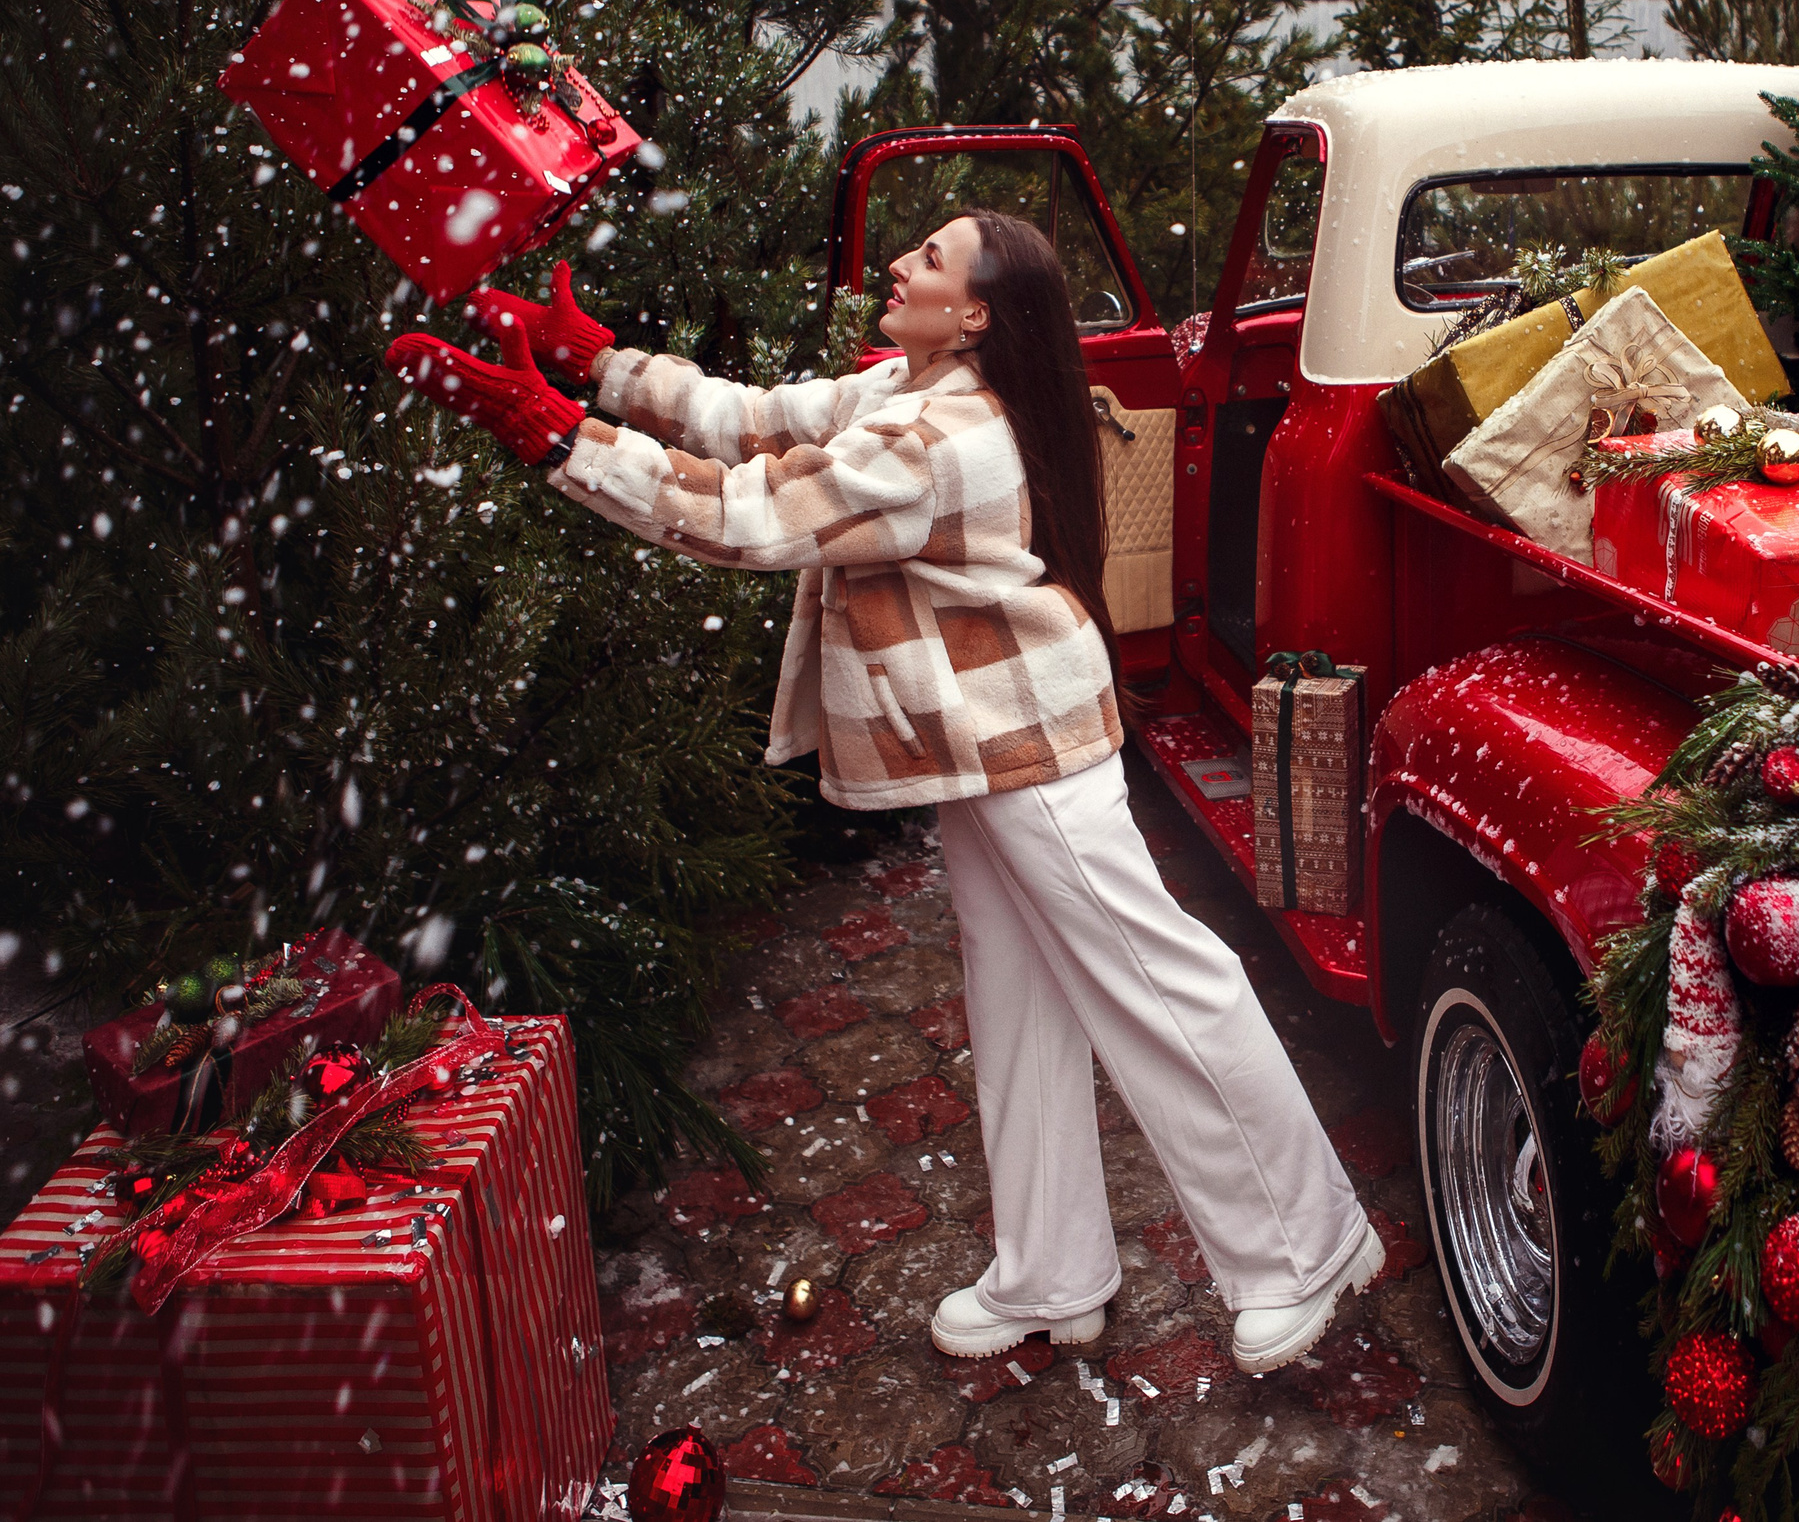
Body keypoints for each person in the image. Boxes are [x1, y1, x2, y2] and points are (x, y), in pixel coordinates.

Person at [385, 216, 1384, 1374]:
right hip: (975, 750)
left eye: (929, 260)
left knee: (1159, 981)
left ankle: (1310, 1251)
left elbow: (750, 517)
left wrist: (557, 434)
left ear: (974, 314)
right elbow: (757, 420)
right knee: (1020, 1000)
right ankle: (1051, 1276)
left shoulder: (941, 435)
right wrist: (600, 366)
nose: (898, 264)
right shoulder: (905, 390)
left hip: (1033, 749)